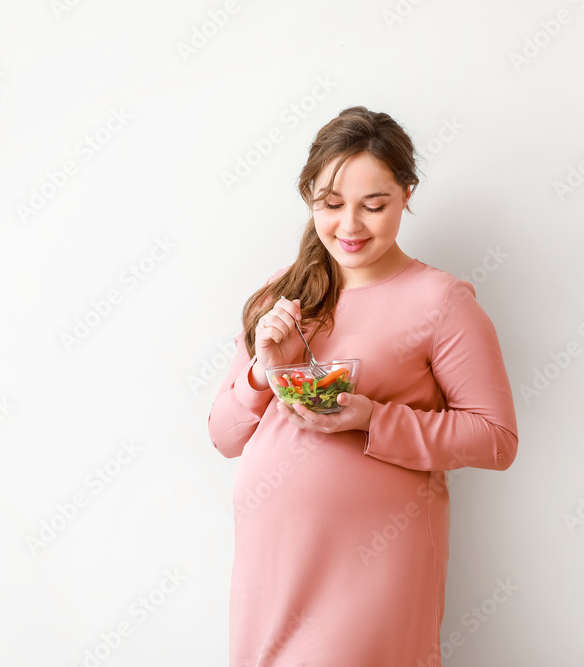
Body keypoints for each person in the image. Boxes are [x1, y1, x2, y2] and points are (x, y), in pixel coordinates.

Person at [207, 105, 519, 666]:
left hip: (374, 571)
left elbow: (496, 439)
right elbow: (225, 436)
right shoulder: (281, 293)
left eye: (373, 206)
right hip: (271, 570)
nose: (349, 227)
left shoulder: (442, 302)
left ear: (406, 194)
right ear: (309, 199)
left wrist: (373, 419)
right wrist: (263, 369)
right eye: (331, 205)